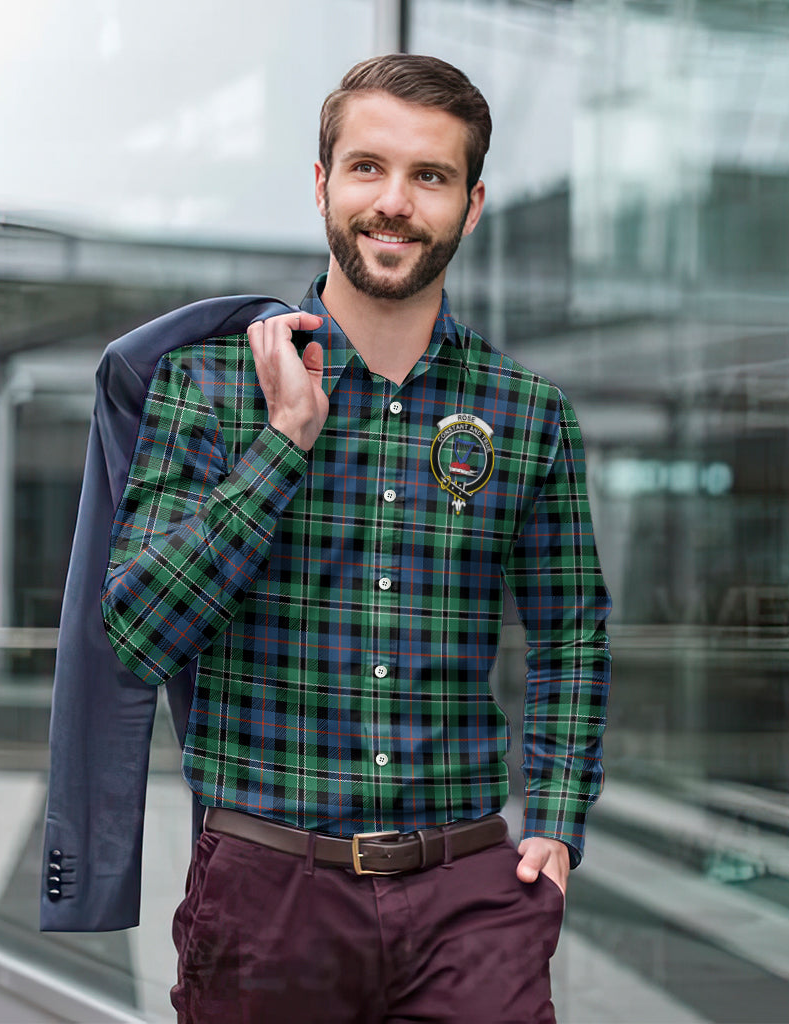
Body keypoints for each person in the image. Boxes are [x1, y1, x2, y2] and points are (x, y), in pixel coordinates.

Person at [101, 53, 611, 1023]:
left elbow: (571, 629)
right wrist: (286, 439)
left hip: (469, 898)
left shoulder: (527, 414)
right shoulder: (207, 389)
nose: (395, 202)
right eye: (369, 167)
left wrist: (553, 818)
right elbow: (135, 633)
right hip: (267, 895)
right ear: (323, 182)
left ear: (472, 203)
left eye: (431, 176)